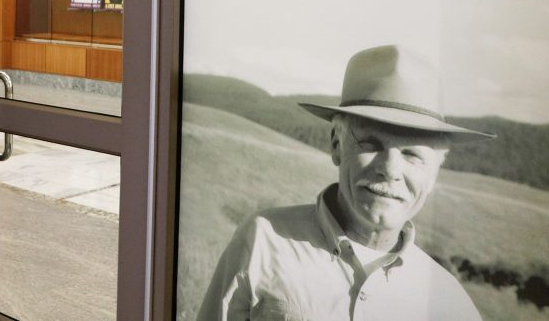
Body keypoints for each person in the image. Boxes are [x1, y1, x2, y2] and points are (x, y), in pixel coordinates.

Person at [198, 45, 493, 321]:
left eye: (412, 154)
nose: (390, 169)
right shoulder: (263, 241)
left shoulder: (448, 302)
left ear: (433, 175)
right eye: (371, 143)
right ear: (337, 145)